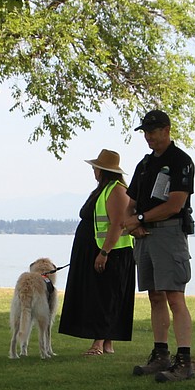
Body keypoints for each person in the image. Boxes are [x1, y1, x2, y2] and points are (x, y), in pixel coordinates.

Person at [123, 109, 195, 382]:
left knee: (174, 296)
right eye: (146, 133)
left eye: (153, 132)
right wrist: (134, 222)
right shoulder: (144, 165)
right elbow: (131, 201)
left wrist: (139, 218)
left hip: (169, 234)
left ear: (166, 130)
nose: (149, 137)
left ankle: (184, 360)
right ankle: (160, 353)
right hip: (145, 237)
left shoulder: (181, 161)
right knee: (154, 296)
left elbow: (174, 204)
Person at [58, 149, 135, 356]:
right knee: (103, 295)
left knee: (104, 296)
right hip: (97, 249)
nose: (93, 171)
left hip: (112, 252)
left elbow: (118, 223)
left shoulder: (116, 190)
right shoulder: (104, 189)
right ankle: (107, 341)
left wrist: (104, 251)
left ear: (102, 170)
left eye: (95, 168)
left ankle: (98, 343)